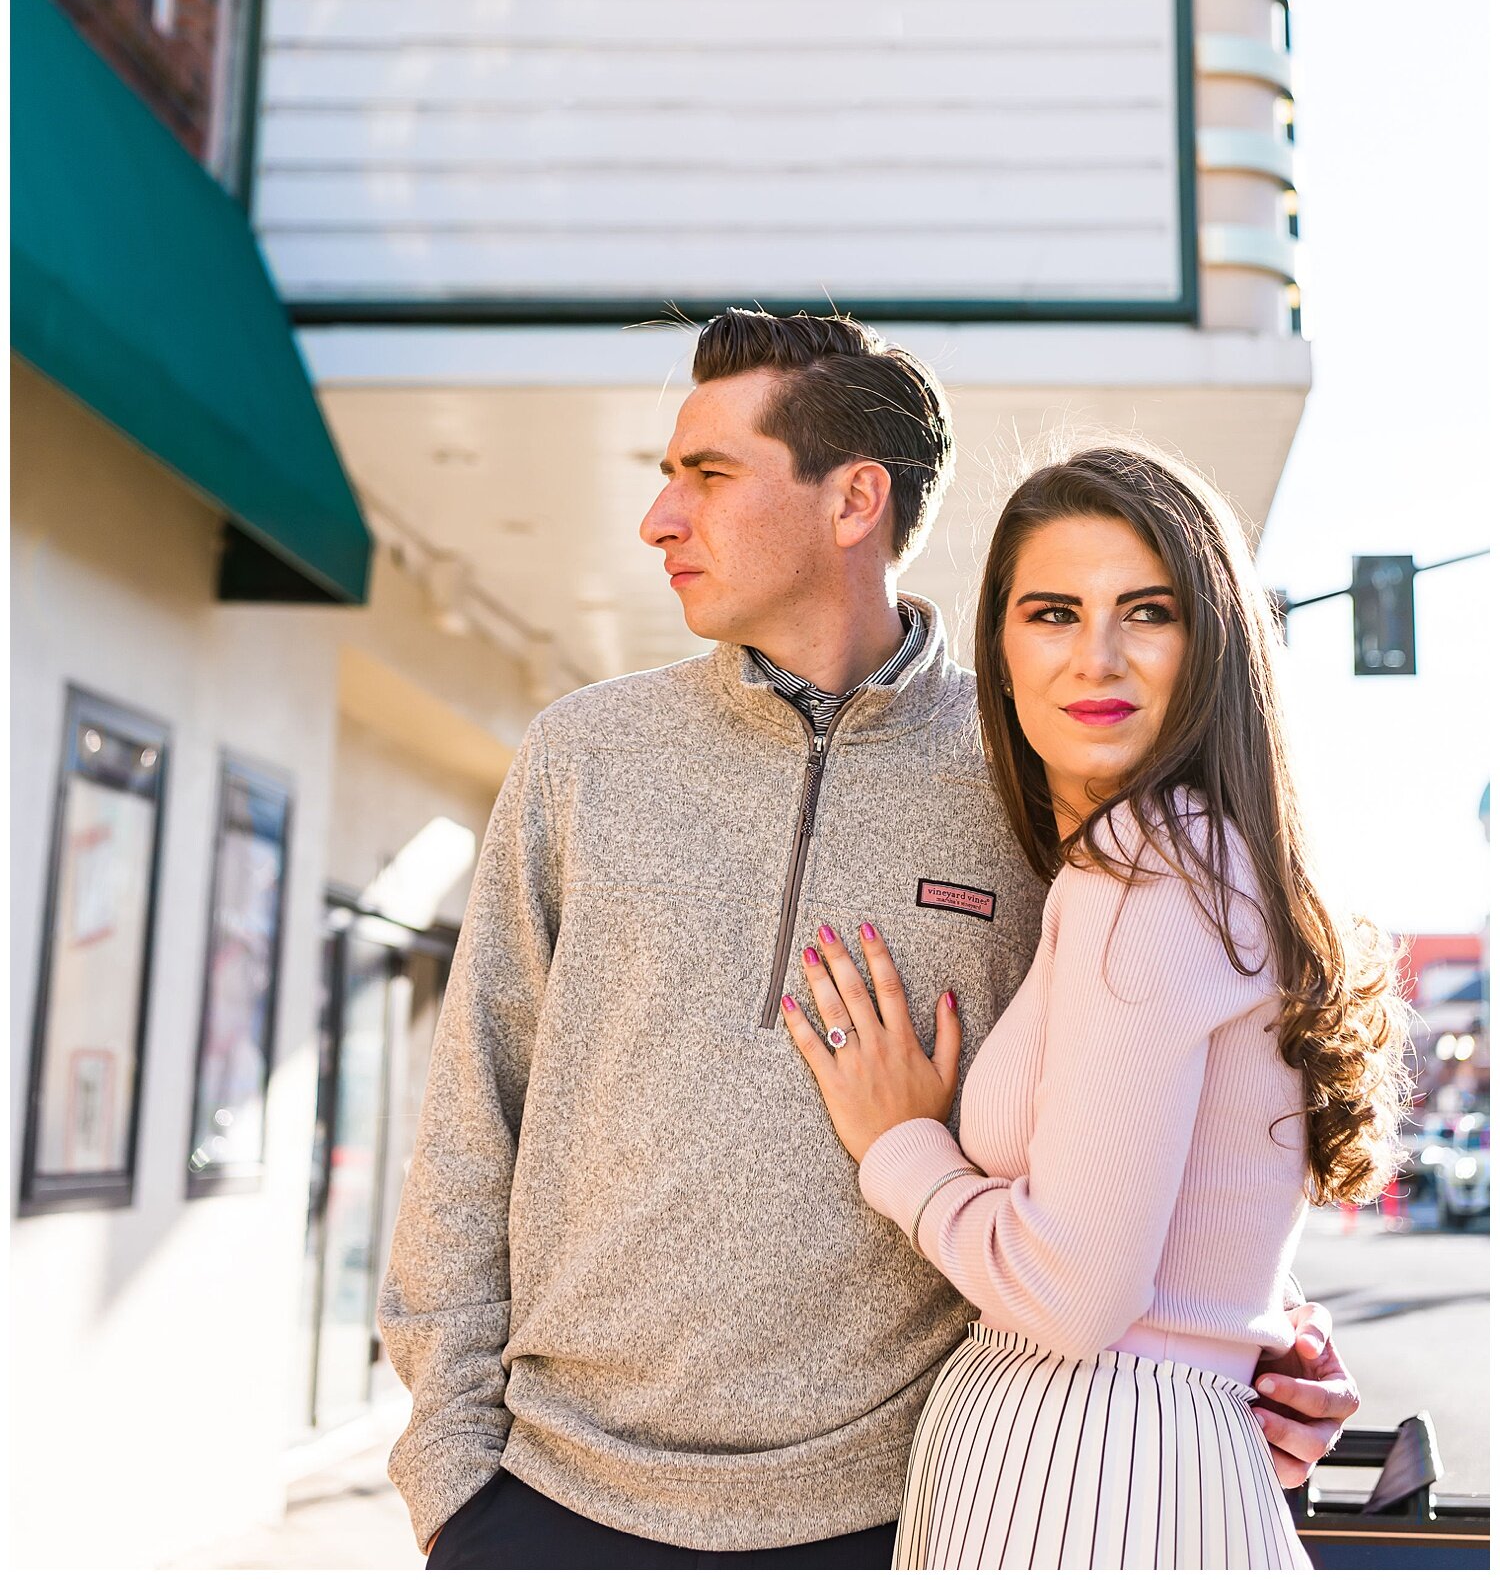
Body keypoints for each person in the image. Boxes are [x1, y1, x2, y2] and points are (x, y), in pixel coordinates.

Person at [377, 311, 1359, 1570]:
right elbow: (472, 1116)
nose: (660, 519)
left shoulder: (1034, 773)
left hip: (899, 1512)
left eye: (707, 474)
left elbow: (1161, 1116)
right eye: (665, 478)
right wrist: (453, 1478)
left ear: (854, 498)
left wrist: (1256, 1337)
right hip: (553, 1501)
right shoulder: (586, 755)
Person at [784, 443, 1409, 1570]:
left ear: (1210, 643)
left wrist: (902, 1148)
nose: (1098, 656)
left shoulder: (1149, 860)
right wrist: (1264, 1328)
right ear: (1003, 650)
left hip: (1087, 1467)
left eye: (1148, 610)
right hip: (1135, 1460)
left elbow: (1078, 1293)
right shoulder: (1196, 862)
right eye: (1054, 612)